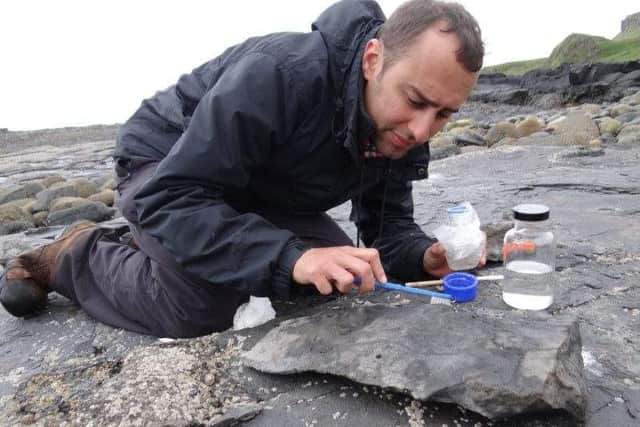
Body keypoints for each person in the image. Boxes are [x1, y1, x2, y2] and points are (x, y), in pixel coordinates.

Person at [0, 0, 484, 337]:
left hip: (252, 188)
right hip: (167, 166)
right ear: (374, 60)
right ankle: (76, 254)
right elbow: (171, 196)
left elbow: (387, 229)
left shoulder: (402, 129)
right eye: (416, 101)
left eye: (443, 114)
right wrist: (292, 257)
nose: (423, 130)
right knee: (204, 305)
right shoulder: (281, 75)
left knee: (339, 274)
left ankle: (156, 244)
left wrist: (424, 257)